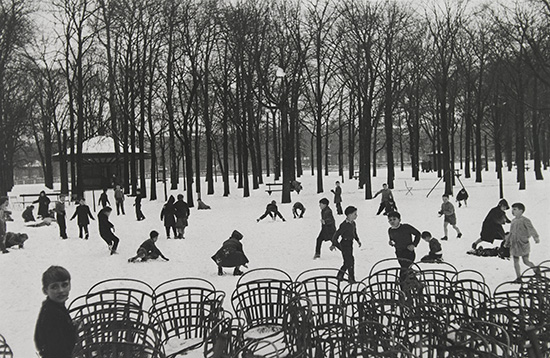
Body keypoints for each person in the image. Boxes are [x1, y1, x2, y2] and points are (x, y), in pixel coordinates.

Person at [34, 266, 76, 358]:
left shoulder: (55, 307)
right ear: (45, 291)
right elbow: (58, 350)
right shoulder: (51, 314)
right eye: (54, 287)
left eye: (64, 285)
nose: (61, 290)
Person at [504, 203, 540, 283]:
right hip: (514, 244)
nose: (512, 211)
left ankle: (536, 269)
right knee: (516, 261)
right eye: (512, 209)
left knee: (525, 260)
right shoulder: (513, 221)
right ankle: (518, 277)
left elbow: (531, 229)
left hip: (523, 244)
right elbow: (511, 233)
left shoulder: (525, 220)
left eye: (515, 209)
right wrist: (507, 242)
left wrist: (536, 237)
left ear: (521, 211)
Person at [330, 206, 362, 283]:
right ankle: (351, 278)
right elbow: (336, 234)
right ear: (349, 215)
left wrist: (357, 240)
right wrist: (334, 244)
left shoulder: (353, 224)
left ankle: (340, 275)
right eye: (354, 214)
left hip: (350, 243)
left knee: (347, 261)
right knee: (350, 261)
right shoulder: (344, 225)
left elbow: (354, 233)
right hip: (344, 244)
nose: (356, 216)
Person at [387, 211, 421, 279]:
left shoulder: (406, 227)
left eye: (394, 219)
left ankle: (404, 287)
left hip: (409, 253)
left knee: (403, 272)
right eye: (390, 220)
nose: (392, 221)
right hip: (399, 253)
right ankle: (416, 285)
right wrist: (391, 242)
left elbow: (418, 234)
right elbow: (392, 240)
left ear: (399, 220)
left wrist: (414, 244)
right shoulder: (390, 230)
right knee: (406, 271)